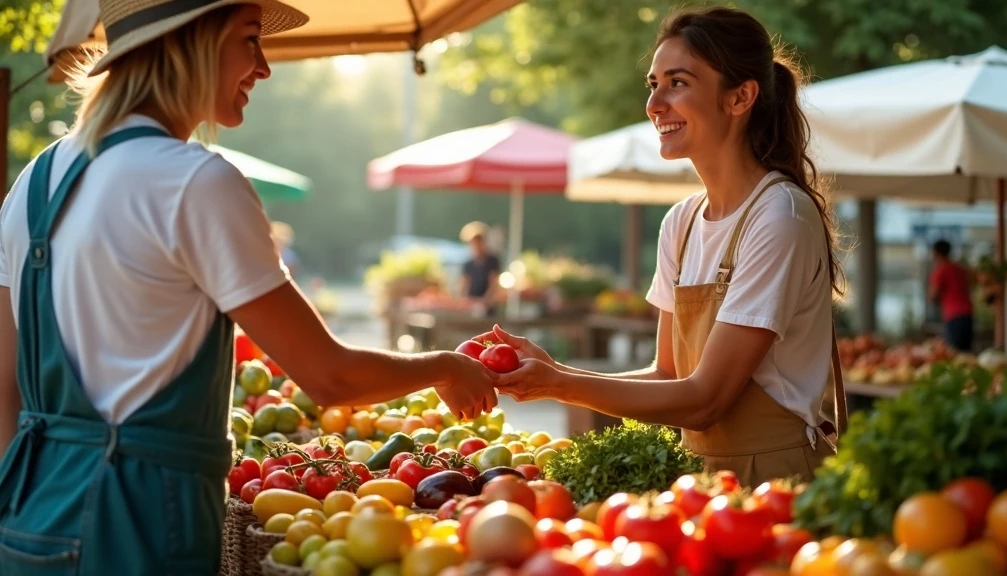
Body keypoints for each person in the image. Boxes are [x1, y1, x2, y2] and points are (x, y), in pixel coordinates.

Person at [0, 2, 497, 574]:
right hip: (139, 516)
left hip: (30, 514)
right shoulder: (194, 181)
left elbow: (5, 383)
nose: (263, 67)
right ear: (192, 42)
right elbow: (329, 376)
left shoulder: (34, 181)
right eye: (249, 39)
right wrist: (444, 367)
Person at [479, 6, 848, 488]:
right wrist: (555, 370)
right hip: (700, 480)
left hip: (776, 478)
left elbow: (705, 400)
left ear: (740, 97)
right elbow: (667, 377)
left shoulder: (780, 217)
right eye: (653, 84)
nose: (655, 104)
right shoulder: (683, 222)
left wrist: (559, 386)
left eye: (678, 82)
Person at [928, 239, 974, 351]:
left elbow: (933, 295)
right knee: (965, 352)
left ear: (936, 253)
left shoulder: (941, 270)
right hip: (968, 314)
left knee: (953, 352)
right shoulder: (960, 269)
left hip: (954, 316)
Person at [459, 221, 502, 309]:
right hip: (471, 305)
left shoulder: (492, 261)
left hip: (488, 307)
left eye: (478, 241)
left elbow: (493, 285)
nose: (476, 245)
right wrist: (466, 302)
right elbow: (464, 286)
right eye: (473, 242)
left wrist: (484, 302)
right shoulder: (468, 264)